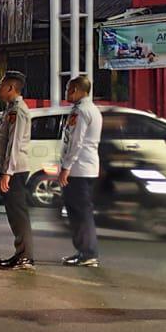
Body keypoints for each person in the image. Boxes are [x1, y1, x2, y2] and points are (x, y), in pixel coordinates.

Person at [0, 72, 36, 271]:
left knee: (19, 214)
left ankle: (26, 257)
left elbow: (15, 144)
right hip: (9, 169)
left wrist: (7, 172)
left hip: (15, 170)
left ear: (11, 88)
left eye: (1, 85)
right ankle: (20, 254)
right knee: (14, 215)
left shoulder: (18, 111)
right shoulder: (9, 110)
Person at [59, 74, 103, 266]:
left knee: (80, 213)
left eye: (68, 89)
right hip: (86, 167)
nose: (67, 93)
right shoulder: (90, 109)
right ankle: (83, 252)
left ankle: (88, 253)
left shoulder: (81, 111)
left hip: (79, 169)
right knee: (79, 212)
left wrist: (66, 167)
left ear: (76, 90)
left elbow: (76, 142)